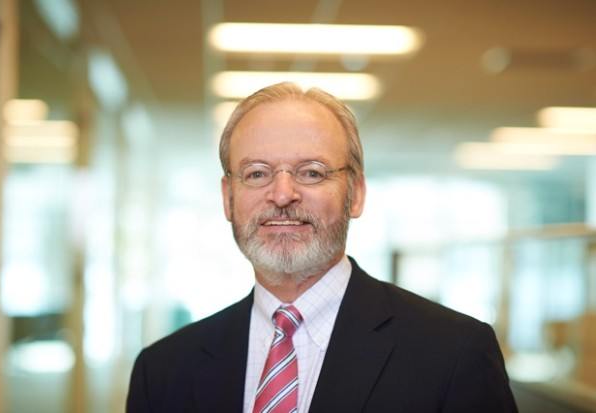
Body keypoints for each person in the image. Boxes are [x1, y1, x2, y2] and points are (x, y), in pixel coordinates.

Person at [126, 82, 518, 413]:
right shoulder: (162, 371)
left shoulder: (453, 354)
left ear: (356, 193)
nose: (282, 194)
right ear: (228, 197)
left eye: (311, 172)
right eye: (257, 173)